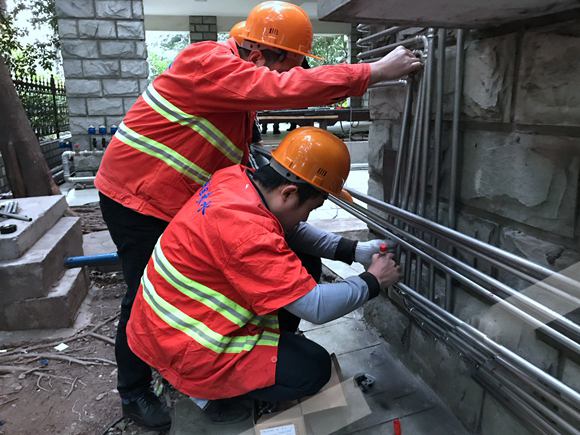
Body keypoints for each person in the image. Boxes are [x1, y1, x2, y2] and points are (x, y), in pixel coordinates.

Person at [95, 1, 422, 430]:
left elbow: (282, 222)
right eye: (290, 66)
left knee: (278, 265)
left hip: (186, 200)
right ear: (258, 55)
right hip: (137, 199)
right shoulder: (208, 62)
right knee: (144, 294)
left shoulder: (237, 149)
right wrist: (372, 72)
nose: (290, 76)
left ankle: (239, 358)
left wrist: (354, 251)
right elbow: (282, 90)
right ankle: (139, 391)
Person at [126, 127, 402, 424]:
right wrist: (373, 280)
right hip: (189, 347)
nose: (306, 217)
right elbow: (317, 306)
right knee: (313, 369)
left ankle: (263, 354)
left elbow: (292, 230)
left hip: (169, 321)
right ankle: (205, 392)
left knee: (305, 261)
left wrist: (356, 251)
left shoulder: (235, 180)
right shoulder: (248, 235)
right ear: (289, 192)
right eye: (311, 208)